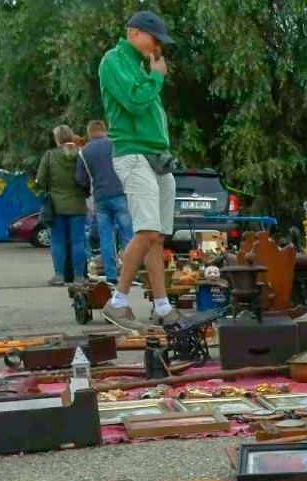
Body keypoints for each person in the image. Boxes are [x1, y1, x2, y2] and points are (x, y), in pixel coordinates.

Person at [97, 10, 179, 331]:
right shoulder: (113, 60)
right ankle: (117, 302)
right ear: (135, 33)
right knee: (146, 231)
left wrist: (151, 75)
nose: (158, 46)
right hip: (133, 153)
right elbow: (134, 102)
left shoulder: (139, 66)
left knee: (157, 236)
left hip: (156, 156)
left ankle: (162, 307)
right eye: (154, 39)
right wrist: (156, 77)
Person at [76, 119, 133, 283]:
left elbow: (80, 178)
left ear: (89, 133)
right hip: (121, 193)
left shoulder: (83, 152)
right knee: (128, 235)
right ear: (104, 130)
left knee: (106, 237)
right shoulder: (116, 145)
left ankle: (111, 274)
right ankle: (131, 272)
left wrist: (89, 190)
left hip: (100, 198)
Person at [35, 124, 87, 285]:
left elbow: (40, 180)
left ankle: (59, 275)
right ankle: (79, 276)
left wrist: (44, 190)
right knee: (78, 241)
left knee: (57, 241)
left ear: (56, 138)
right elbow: (87, 178)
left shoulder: (49, 155)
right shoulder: (80, 154)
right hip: (78, 204)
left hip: (56, 205)